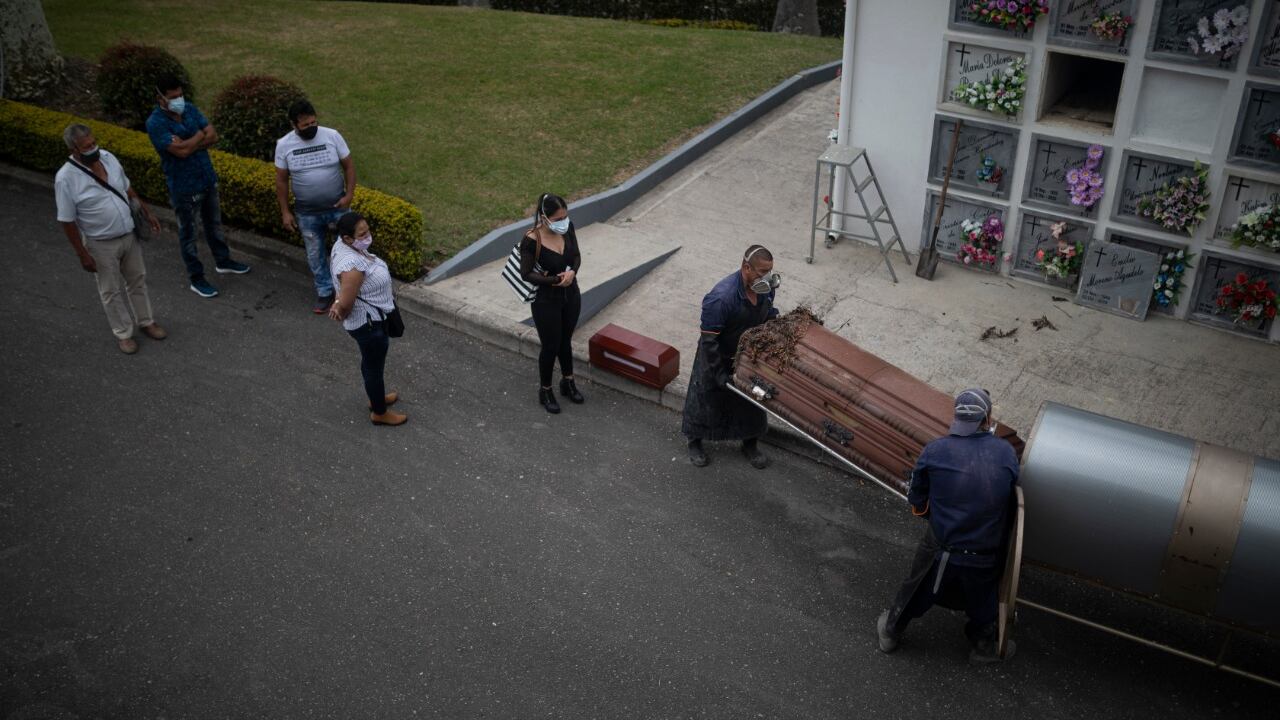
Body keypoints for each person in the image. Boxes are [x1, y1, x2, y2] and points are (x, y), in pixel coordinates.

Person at [875, 388, 1020, 663]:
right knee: (984, 600)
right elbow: (1010, 500)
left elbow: (917, 498)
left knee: (917, 588)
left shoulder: (936, 450)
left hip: (943, 551)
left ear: (956, 418)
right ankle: (984, 645)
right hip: (985, 553)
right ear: (986, 419)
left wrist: (936, 518)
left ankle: (891, 630)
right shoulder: (1005, 452)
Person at [55, 124, 166, 355]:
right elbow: (66, 220)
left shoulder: (108, 157)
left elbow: (127, 188)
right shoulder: (65, 178)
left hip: (128, 235)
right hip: (100, 244)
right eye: (87, 146)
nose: (93, 148)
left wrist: (146, 211)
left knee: (138, 279)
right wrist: (82, 254)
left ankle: (146, 322)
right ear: (74, 149)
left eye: (93, 143)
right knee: (110, 290)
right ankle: (123, 333)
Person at [146, 73, 251, 299]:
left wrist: (188, 141)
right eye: (173, 97)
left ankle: (223, 261)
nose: (179, 100)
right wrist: (197, 136)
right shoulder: (155, 123)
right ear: (160, 98)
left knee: (214, 224)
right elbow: (181, 151)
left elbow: (212, 136)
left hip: (206, 178)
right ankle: (196, 277)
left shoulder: (189, 109)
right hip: (184, 187)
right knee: (189, 233)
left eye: (181, 95)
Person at [682, 245, 779, 469]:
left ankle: (750, 443)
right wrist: (718, 372)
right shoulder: (721, 298)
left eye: (769, 271)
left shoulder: (765, 288)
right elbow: (709, 340)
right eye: (761, 272)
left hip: (747, 355)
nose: (767, 277)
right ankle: (695, 441)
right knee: (706, 399)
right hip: (717, 354)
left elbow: (768, 310)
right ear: (746, 267)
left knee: (751, 402)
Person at [274, 99, 356, 313]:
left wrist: (349, 196)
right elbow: (281, 180)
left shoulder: (332, 136)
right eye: (305, 125)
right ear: (294, 125)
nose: (311, 128)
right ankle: (324, 291)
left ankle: (347, 290)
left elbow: (348, 167)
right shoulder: (284, 145)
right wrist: (285, 211)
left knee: (348, 250)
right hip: (307, 213)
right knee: (314, 254)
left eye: (313, 123)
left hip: (338, 207)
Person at [328, 212, 406, 426]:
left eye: (367, 230)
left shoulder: (343, 246)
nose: (368, 236)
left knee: (370, 364)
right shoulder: (353, 266)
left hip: (367, 321)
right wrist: (339, 306)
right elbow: (346, 300)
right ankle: (379, 412)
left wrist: (337, 304)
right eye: (362, 234)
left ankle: (376, 397)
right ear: (347, 239)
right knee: (373, 367)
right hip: (369, 324)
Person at [519, 193, 584, 414]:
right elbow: (526, 274)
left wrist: (573, 272)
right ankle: (545, 390)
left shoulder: (569, 228)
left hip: (571, 296)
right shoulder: (531, 239)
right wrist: (556, 280)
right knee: (550, 346)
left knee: (566, 340)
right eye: (558, 219)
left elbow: (576, 255)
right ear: (545, 217)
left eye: (565, 216)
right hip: (546, 301)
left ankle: (568, 381)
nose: (563, 222)